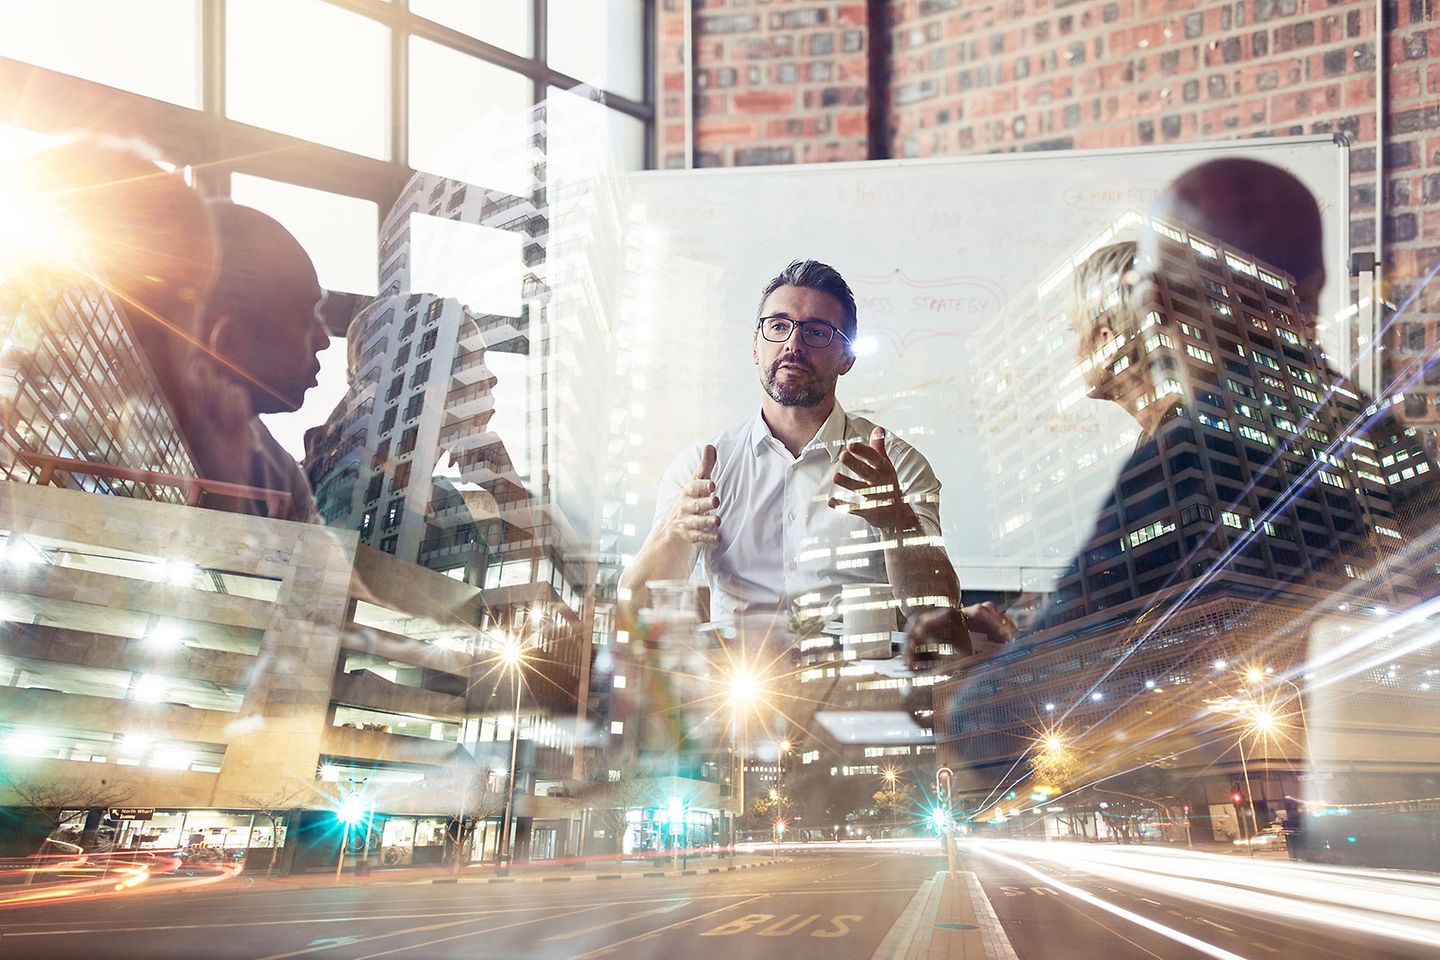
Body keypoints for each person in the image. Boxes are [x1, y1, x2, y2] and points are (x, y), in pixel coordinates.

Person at [622, 259, 970, 660]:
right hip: (736, 696)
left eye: (818, 332)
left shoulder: (896, 464)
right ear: (755, 345)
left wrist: (897, 520)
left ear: (847, 358)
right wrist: (674, 531)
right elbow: (635, 609)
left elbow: (940, 615)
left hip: (860, 696)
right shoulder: (701, 469)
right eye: (778, 325)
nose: (793, 344)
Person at [184, 200, 328, 522]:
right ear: (230, 340)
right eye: (306, 319)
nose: (323, 340)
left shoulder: (284, 474)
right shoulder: (147, 442)